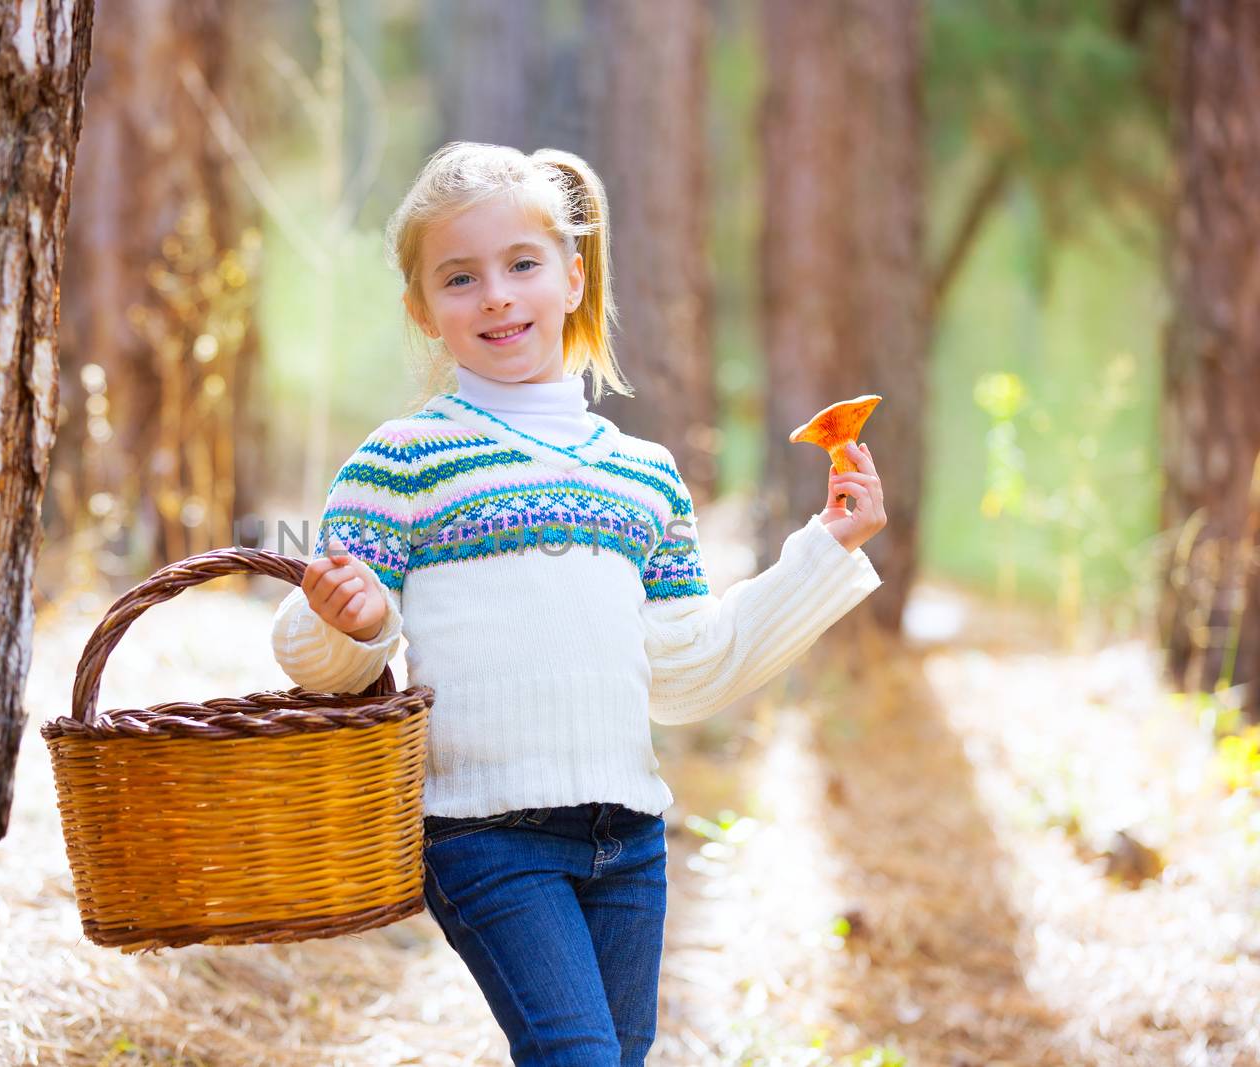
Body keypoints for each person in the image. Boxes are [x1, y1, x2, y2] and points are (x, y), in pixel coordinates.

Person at [270, 141, 886, 1066]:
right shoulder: (402, 459)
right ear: (422, 310)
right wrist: (351, 622)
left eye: (522, 265)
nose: (497, 296)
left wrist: (823, 550)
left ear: (572, 276)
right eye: (460, 277)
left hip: (628, 837)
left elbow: (685, 668)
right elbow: (318, 654)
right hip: (483, 831)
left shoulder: (643, 475)